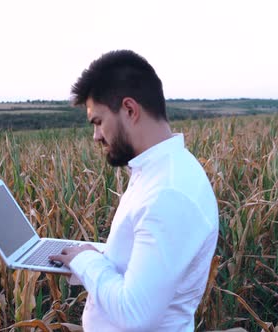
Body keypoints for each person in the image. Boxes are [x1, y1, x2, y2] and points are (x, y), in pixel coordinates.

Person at [49, 50, 219, 331]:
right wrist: (92, 259)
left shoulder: (168, 193)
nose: (96, 136)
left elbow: (134, 313)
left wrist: (88, 261)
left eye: (98, 122)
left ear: (129, 109)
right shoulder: (156, 172)